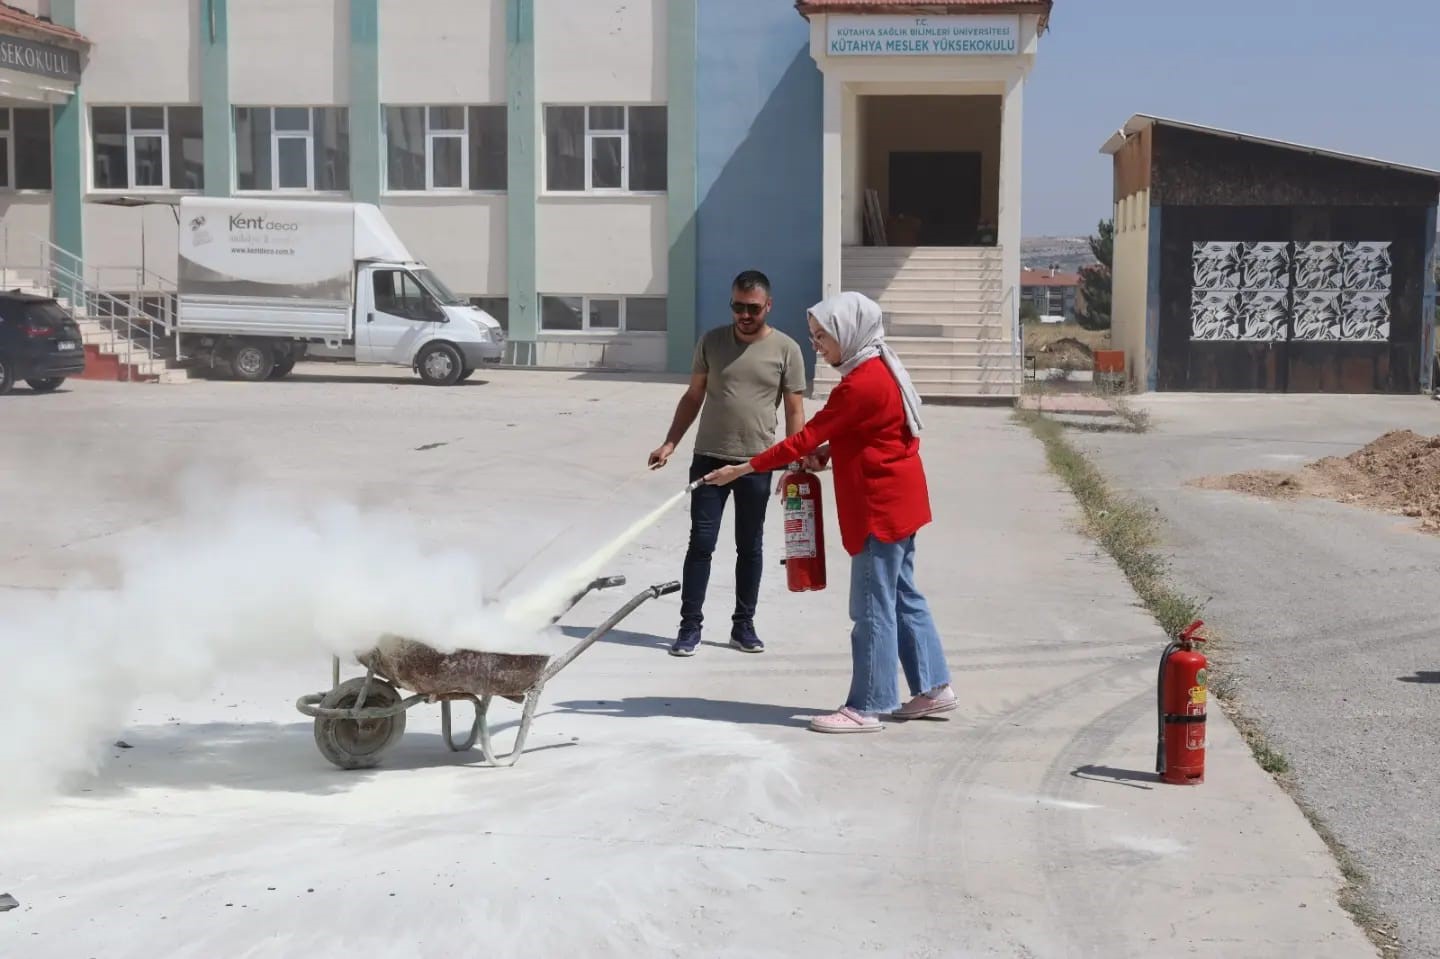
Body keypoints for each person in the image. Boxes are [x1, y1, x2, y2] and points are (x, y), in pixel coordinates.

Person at [702, 291, 955, 733]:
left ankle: (868, 706)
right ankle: (934, 690)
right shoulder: (878, 369)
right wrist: (828, 453)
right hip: (902, 501)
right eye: (813, 336)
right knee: (903, 596)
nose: (817, 345)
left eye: (823, 336)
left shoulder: (860, 384)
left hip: (880, 506)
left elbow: (806, 435)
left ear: (848, 333)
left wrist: (745, 467)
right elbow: (870, 433)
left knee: (872, 607)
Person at [648, 270, 807, 657]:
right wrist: (670, 442)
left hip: (757, 463)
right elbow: (693, 396)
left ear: (768, 305)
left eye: (753, 307)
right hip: (708, 459)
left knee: (749, 547)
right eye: (738, 306)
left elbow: (794, 409)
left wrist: (794, 460)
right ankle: (689, 628)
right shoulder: (712, 342)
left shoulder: (787, 350)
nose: (745, 314)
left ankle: (743, 626)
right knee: (701, 544)